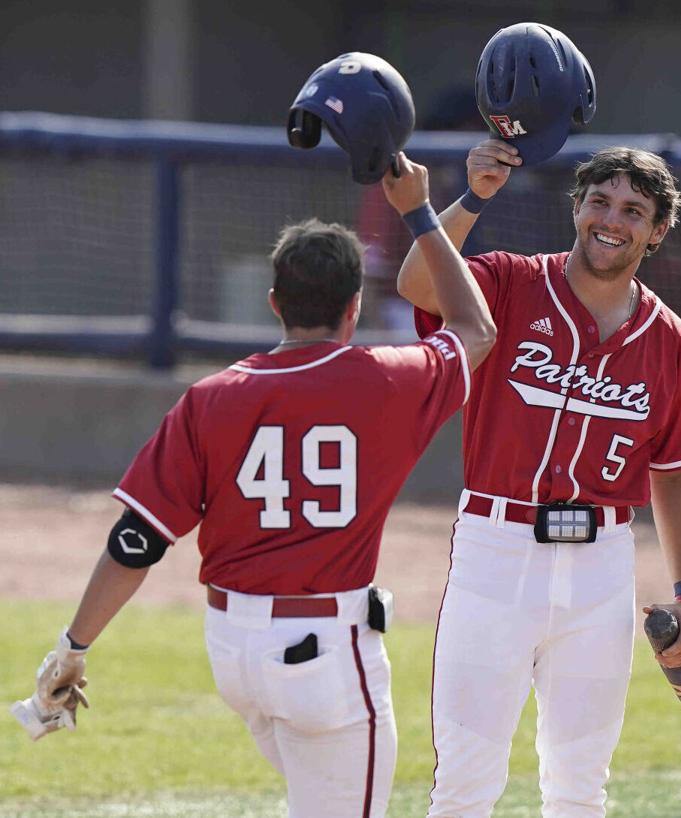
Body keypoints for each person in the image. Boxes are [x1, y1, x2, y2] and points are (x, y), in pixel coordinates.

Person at [10, 155, 496, 818]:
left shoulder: (211, 398)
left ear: (275, 303)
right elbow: (477, 329)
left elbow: (136, 540)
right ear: (354, 308)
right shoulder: (392, 378)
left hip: (234, 653)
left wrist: (74, 646)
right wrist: (416, 209)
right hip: (324, 658)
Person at [396, 140, 681, 817]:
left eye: (633, 209)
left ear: (657, 232)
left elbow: (676, 471)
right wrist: (475, 194)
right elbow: (417, 285)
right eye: (599, 201)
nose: (611, 219)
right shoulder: (507, 283)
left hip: (602, 569)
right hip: (494, 552)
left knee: (578, 788)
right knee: (465, 783)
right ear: (576, 208)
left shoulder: (670, 339)